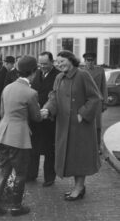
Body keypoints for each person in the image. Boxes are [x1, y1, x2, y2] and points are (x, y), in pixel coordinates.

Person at [41, 50, 101, 201]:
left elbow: (95, 97)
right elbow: (53, 97)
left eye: (63, 61)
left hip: (80, 126)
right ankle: (78, 187)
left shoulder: (83, 75)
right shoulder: (59, 77)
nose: (60, 64)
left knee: (79, 157)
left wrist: (83, 113)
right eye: (58, 62)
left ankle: (79, 188)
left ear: (71, 59)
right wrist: (47, 109)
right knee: (70, 157)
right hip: (64, 125)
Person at [0, 56, 42, 217]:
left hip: (2, 134)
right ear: (33, 72)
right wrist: (42, 112)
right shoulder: (31, 93)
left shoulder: (7, 88)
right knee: (20, 174)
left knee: (4, 171)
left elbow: (2, 113)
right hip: (18, 137)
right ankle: (16, 207)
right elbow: (36, 117)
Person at [27, 51, 60, 186]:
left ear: (52, 62)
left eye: (45, 64)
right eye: (40, 64)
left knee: (49, 150)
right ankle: (31, 174)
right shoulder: (37, 73)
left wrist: (47, 110)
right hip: (35, 117)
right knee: (33, 148)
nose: (42, 66)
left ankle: (49, 178)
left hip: (50, 119)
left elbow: (57, 96)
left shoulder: (58, 75)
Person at [82, 52, 108, 151]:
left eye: (92, 60)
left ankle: (97, 146)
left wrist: (105, 102)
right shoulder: (81, 71)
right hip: (85, 101)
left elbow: (104, 86)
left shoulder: (100, 70)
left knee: (97, 125)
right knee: (85, 124)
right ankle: (86, 145)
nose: (90, 62)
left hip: (97, 101)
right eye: (88, 60)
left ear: (94, 60)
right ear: (84, 61)